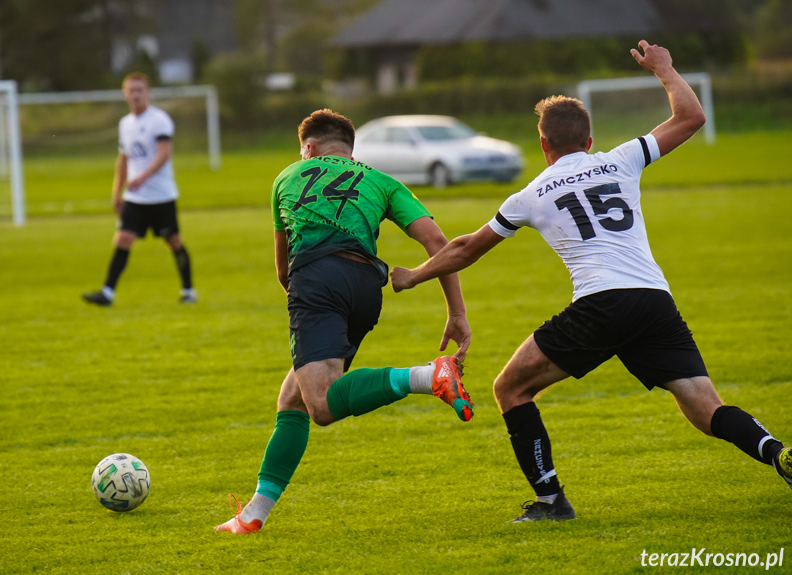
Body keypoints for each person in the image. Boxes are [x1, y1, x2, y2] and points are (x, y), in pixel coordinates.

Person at [390, 40, 792, 522]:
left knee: (510, 390)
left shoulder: (531, 194)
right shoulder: (621, 159)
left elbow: (465, 249)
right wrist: (664, 69)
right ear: (588, 140)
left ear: (543, 145)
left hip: (601, 302)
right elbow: (691, 118)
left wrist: (413, 275)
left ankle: (550, 501)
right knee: (706, 408)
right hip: (653, 301)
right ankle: (776, 452)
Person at [215, 109, 474, 535]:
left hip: (316, 281)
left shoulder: (288, 176)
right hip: (366, 289)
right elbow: (439, 243)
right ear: (349, 149)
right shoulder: (381, 181)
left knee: (320, 404)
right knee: (294, 398)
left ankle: (429, 378)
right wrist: (456, 313)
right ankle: (254, 514)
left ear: (309, 148)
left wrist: (309, 307)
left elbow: (283, 271)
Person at [82, 72, 196, 307]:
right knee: (122, 239)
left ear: (148, 93)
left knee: (173, 241)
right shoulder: (125, 124)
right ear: (124, 94)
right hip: (135, 197)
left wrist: (142, 177)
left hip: (161, 195)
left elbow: (164, 153)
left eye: (139, 90)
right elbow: (123, 160)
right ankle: (107, 293)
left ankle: (188, 291)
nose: (135, 95)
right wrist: (116, 192)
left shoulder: (159, 120)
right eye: (131, 91)